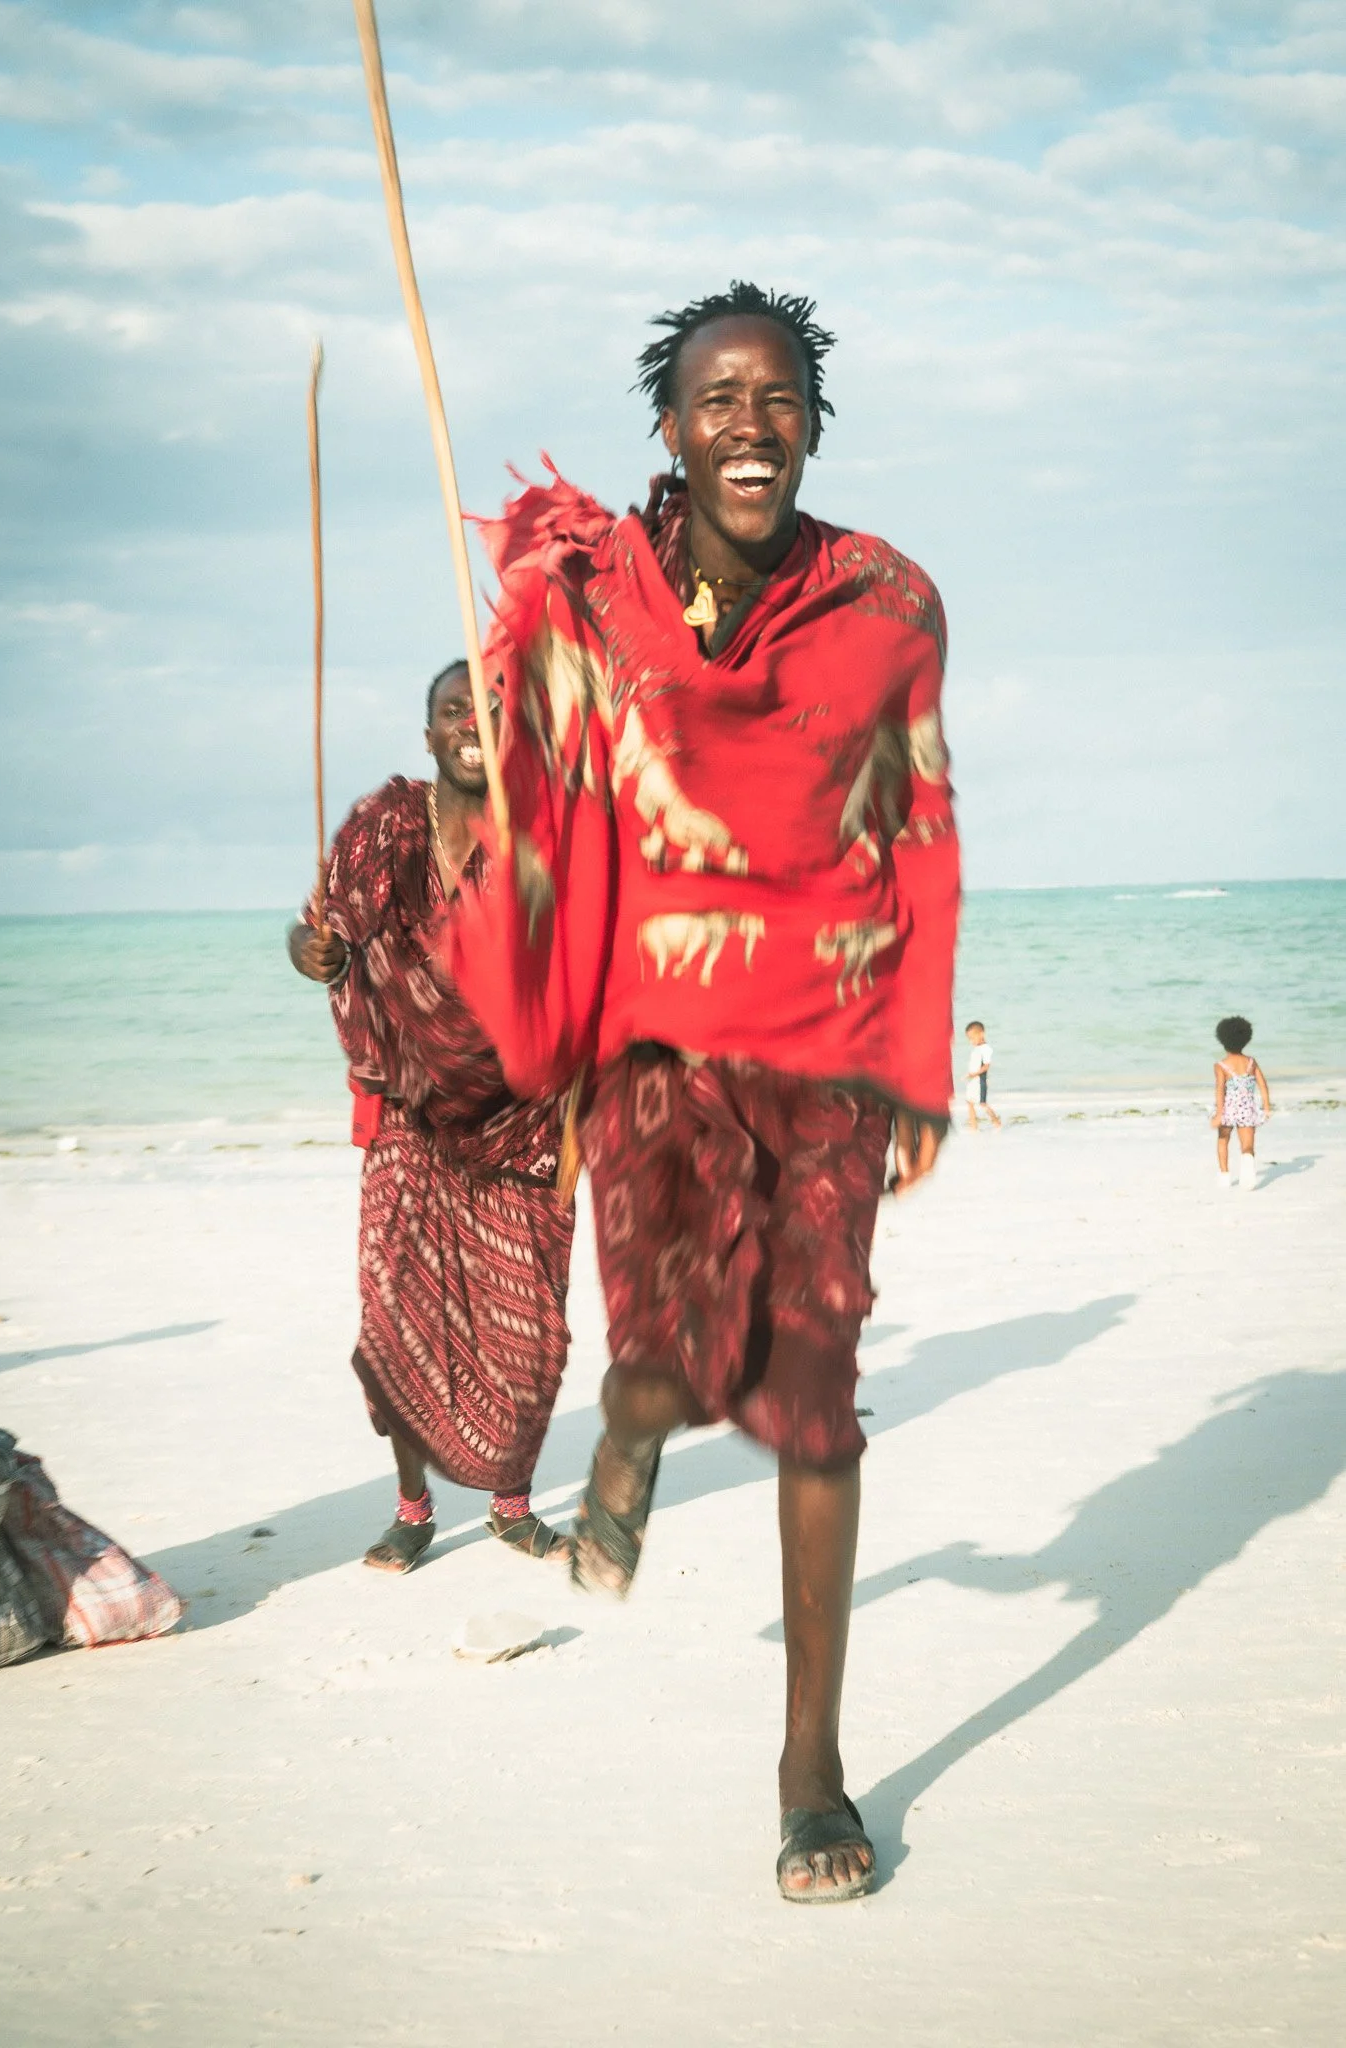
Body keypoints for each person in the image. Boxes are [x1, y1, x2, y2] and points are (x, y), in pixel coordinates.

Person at [451, 281, 960, 1902]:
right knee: (668, 1334)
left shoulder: (888, 599)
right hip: (658, 1030)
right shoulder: (597, 595)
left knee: (815, 1395)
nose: (751, 424)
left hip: (828, 1044)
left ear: (814, 417)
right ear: (669, 426)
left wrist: (924, 1052)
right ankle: (635, 1423)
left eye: (779, 396)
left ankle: (812, 1768)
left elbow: (923, 822)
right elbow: (546, 779)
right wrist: (518, 632)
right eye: (716, 399)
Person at [289, 662, 574, 1572]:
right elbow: (325, 938)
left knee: (527, 1326)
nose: (471, 724)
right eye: (455, 711)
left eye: (490, 714)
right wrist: (309, 949)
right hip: (408, 1114)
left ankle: (511, 1504)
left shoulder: (545, 838)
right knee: (396, 1310)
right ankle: (413, 1511)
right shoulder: (382, 828)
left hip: (523, 1122)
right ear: (428, 736)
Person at [1211, 1014, 1271, 1189]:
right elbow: (1262, 1084)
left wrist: (1219, 1114)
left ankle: (1224, 1175)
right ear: (1246, 1038)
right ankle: (1248, 1172)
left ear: (1222, 1040)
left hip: (1228, 1109)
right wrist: (1266, 1107)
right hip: (1247, 1109)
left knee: (1223, 1140)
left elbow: (1220, 1090)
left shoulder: (1221, 1066)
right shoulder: (1251, 1062)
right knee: (1248, 1145)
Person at [963, 1020, 1000, 1131]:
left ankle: (996, 1121)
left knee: (983, 1104)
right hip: (973, 1080)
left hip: (980, 1081)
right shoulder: (977, 1049)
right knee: (969, 1102)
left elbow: (986, 1066)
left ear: (981, 1034)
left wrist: (973, 1074)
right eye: (969, 1039)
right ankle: (974, 1126)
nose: (971, 1041)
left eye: (973, 1038)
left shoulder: (986, 1049)